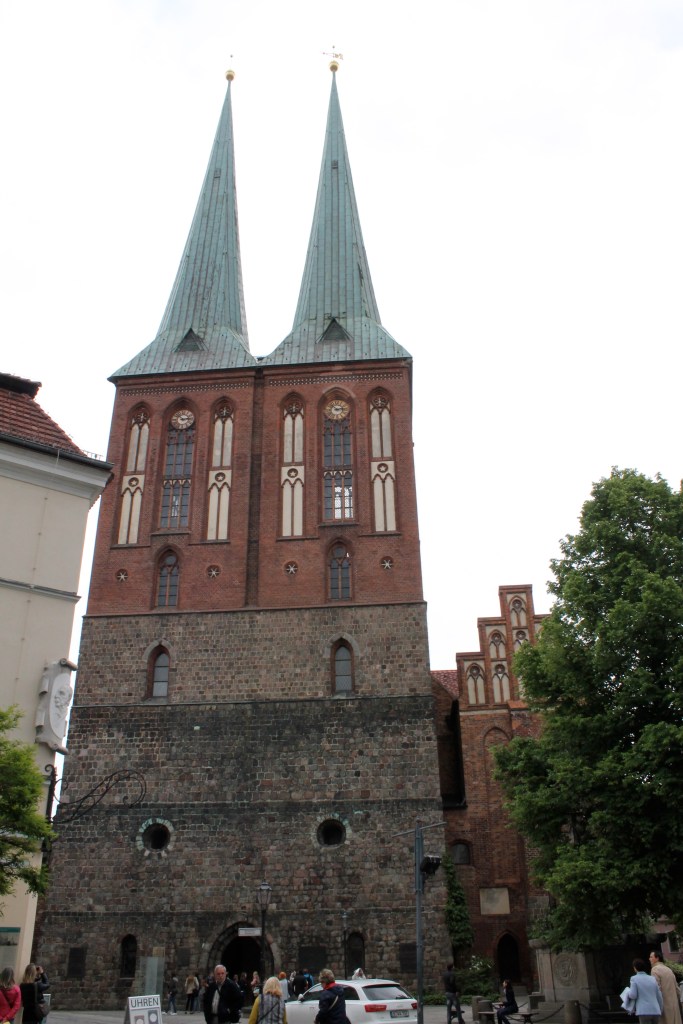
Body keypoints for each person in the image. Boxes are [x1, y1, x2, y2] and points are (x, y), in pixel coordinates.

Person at [626, 959, 663, 1024]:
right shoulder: (652, 978)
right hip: (655, 1010)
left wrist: (627, 992)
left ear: (635, 968)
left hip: (643, 1010)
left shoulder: (634, 978)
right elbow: (659, 995)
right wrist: (660, 1009)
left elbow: (633, 995)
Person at [649, 953, 681, 1024]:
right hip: (674, 1004)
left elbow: (657, 989)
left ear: (657, 958)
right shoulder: (668, 969)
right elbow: (677, 988)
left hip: (664, 1004)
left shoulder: (654, 969)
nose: (649, 959)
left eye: (651, 957)